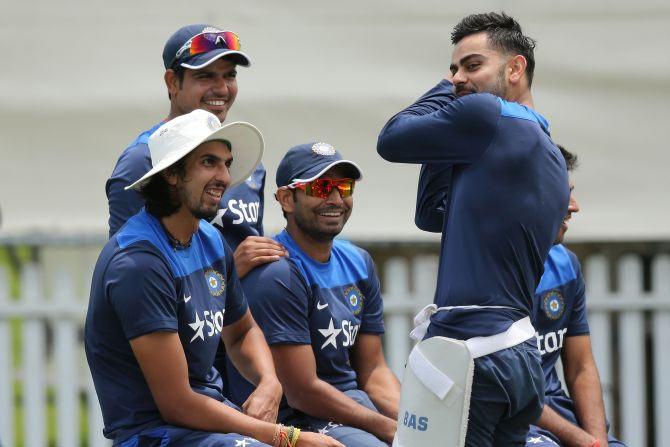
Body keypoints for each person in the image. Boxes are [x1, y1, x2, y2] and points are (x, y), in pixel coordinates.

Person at [85, 109, 341, 447]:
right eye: (209, 162)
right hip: (154, 434)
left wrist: (268, 381)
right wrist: (288, 437)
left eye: (226, 163)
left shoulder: (209, 239)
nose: (224, 176)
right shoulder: (137, 263)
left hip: (210, 425)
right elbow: (177, 404)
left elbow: (241, 332)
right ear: (173, 174)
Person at [377, 12, 570, 446]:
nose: (459, 78)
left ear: (515, 68)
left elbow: (390, 139)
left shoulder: (487, 115)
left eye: (472, 65)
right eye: (453, 68)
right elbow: (431, 214)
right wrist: (445, 139)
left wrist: (447, 93)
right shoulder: (550, 153)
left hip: (471, 356)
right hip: (519, 360)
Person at [229, 143, 401, 446]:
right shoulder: (277, 273)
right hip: (297, 419)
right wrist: (386, 428)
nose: (335, 198)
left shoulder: (359, 262)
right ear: (286, 199)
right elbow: (302, 391)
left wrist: (409, 421)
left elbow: (374, 369)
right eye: (321, 188)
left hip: (353, 409)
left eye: (344, 186)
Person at [106, 23, 286, 276]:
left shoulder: (245, 157)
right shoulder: (144, 159)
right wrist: (232, 270)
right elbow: (128, 272)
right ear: (172, 82)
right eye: (205, 76)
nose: (222, 89)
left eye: (230, 75)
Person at [527, 146, 626, 447]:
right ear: (526, 196)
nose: (575, 206)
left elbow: (581, 367)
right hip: (507, 419)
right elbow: (513, 391)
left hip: (556, 414)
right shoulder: (491, 272)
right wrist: (585, 443)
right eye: (562, 193)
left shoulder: (565, 265)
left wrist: (598, 441)